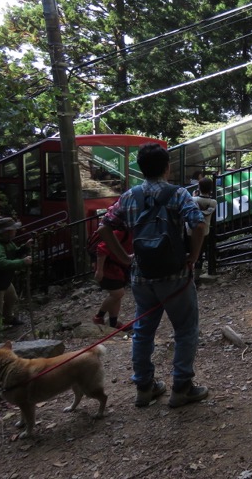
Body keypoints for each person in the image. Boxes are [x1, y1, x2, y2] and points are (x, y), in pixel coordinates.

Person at [98, 143, 209, 409]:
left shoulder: (129, 196)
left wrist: (124, 259)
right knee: (185, 330)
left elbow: (104, 228)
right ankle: (181, 388)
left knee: (143, 332)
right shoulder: (179, 194)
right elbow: (199, 225)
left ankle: (144, 388)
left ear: (141, 168)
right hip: (175, 277)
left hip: (142, 277)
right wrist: (192, 257)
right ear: (167, 168)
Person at [0, 217, 32, 327]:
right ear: (7, 232)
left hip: (4, 280)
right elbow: (1, 263)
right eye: (14, 229)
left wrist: (24, 248)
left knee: (12, 298)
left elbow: (13, 253)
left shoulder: (7, 242)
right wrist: (22, 262)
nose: (15, 231)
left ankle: (8, 318)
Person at [92, 228, 133, 328]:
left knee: (116, 296)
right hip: (109, 268)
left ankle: (113, 322)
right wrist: (99, 270)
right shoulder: (120, 231)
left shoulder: (130, 231)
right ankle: (98, 317)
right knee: (117, 294)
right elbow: (102, 248)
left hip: (118, 269)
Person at [189, 177, 217, 282]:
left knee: (189, 252)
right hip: (204, 232)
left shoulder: (193, 200)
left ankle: (187, 275)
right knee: (199, 254)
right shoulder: (213, 202)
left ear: (199, 187)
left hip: (190, 231)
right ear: (211, 189)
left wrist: (193, 196)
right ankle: (196, 278)